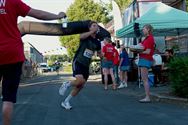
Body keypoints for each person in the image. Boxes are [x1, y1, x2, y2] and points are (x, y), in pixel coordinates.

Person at [0, 0, 66, 125]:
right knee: (8, 99)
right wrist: (57, 16)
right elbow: (38, 14)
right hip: (12, 53)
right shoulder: (12, 2)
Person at [59, 21, 101, 109]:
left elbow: (99, 53)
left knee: (80, 86)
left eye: (96, 26)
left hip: (86, 64)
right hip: (78, 61)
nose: (95, 27)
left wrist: (103, 55)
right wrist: (91, 32)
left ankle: (66, 102)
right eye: (93, 26)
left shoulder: (97, 42)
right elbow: (81, 37)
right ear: (89, 28)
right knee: (79, 81)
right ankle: (66, 84)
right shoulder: (86, 36)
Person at [137, 24, 155, 103]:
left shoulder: (150, 38)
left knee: (144, 79)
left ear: (148, 29)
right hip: (144, 59)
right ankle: (147, 96)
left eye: (144, 29)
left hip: (145, 59)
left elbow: (148, 51)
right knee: (144, 79)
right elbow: (140, 46)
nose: (142, 30)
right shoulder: (146, 38)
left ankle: (147, 97)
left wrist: (137, 50)